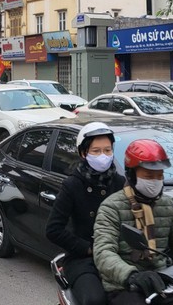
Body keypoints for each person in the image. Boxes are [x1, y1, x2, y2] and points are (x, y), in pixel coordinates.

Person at [93, 139, 173, 305]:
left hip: (162, 277)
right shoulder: (111, 207)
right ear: (132, 174)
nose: (155, 181)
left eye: (160, 176)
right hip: (124, 284)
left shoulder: (167, 205)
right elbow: (103, 252)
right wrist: (131, 275)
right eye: (149, 176)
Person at [46, 122, 125, 305]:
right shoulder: (72, 185)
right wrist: (87, 248)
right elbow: (53, 229)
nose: (103, 156)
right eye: (96, 151)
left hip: (118, 256)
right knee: (94, 300)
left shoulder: (120, 182)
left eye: (107, 150)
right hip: (84, 260)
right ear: (83, 153)